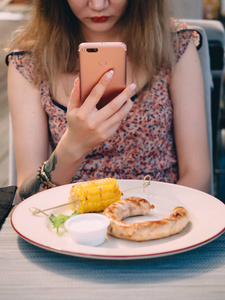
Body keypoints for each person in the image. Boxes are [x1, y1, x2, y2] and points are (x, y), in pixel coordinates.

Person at [7, 0, 211, 203]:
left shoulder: (173, 44)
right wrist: (73, 147)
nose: (98, 5)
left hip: (162, 213)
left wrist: (158, 220)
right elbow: (28, 199)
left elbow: (197, 174)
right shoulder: (29, 61)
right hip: (73, 222)